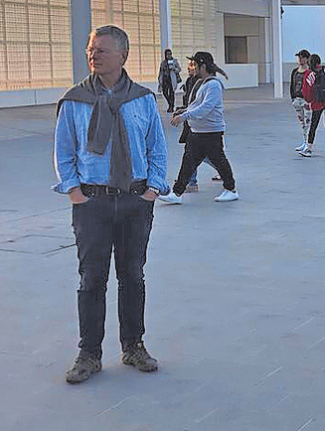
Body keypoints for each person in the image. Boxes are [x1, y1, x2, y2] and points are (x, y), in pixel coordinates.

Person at [53, 25, 169, 385]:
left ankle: (134, 345)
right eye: (91, 49)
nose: (94, 55)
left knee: (132, 276)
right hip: (93, 203)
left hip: (135, 200)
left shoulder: (143, 99)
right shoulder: (75, 100)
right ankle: (89, 353)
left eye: (102, 49)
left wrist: (153, 190)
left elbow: (157, 148)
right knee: (91, 279)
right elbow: (64, 151)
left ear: (123, 55)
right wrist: (75, 193)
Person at [166, 51, 238, 204]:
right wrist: (185, 110)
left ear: (203, 66)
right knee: (188, 161)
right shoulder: (202, 83)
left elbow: (206, 107)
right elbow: (196, 105)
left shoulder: (213, 85)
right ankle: (177, 193)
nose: (193, 68)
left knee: (218, 160)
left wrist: (184, 117)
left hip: (211, 132)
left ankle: (231, 189)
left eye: (195, 65)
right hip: (198, 131)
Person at [178, 57, 218, 193]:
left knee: (196, 153)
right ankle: (191, 181)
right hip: (192, 122)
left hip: (200, 124)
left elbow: (203, 105)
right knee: (196, 153)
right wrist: (183, 110)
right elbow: (190, 101)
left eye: (193, 66)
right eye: (189, 66)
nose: (190, 68)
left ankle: (191, 182)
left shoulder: (206, 83)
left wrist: (185, 114)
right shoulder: (190, 81)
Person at [291, 50, 313, 153]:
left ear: (307, 59)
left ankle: (308, 143)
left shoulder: (310, 72)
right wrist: (293, 98)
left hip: (307, 101)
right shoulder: (295, 71)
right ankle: (304, 141)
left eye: (302, 57)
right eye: (299, 57)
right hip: (297, 100)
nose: (300, 59)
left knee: (308, 122)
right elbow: (292, 85)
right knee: (302, 123)